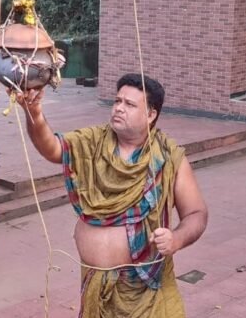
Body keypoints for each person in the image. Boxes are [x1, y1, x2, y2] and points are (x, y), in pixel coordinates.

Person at [15, 73, 208, 317]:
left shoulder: (168, 157)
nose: (118, 108)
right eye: (117, 101)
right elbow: (52, 148)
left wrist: (177, 239)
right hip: (96, 287)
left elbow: (196, 213)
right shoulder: (93, 141)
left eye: (129, 104)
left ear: (151, 115)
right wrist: (33, 112)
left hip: (146, 291)